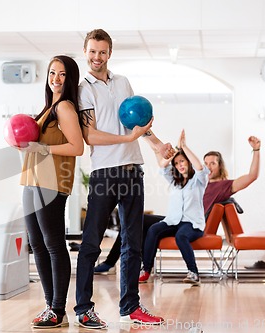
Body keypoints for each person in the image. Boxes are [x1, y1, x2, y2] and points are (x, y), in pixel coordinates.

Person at [74, 28, 174, 329]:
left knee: (133, 243)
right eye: (92, 51)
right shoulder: (84, 89)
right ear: (85, 52)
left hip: (133, 170)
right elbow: (89, 134)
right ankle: (83, 309)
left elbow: (135, 121)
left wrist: (157, 144)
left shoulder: (122, 82)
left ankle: (130, 307)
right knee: (92, 242)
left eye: (102, 52)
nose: (96, 57)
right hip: (105, 174)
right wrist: (126, 137)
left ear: (110, 53)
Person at [95, 136, 262, 280]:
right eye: (206, 163)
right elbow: (165, 166)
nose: (209, 166)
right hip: (176, 220)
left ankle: (147, 267)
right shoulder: (184, 181)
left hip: (192, 223)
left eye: (213, 163)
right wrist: (157, 146)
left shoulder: (221, 185)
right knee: (138, 221)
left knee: (153, 228)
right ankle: (118, 263)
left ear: (220, 166)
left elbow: (251, 177)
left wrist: (256, 150)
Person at [19, 55, 84, 328]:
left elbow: (77, 147)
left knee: (54, 246)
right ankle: (50, 306)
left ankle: (58, 308)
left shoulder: (65, 108)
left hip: (52, 182)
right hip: (32, 180)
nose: (55, 79)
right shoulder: (49, 107)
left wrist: (42, 149)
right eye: (52, 73)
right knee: (37, 245)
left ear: (70, 79)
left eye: (62, 74)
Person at [140, 130, 209, 286]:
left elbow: (199, 167)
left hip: (192, 224)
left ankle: (193, 273)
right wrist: (173, 151)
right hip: (173, 221)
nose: (180, 165)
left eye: (182, 162)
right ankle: (146, 270)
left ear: (188, 162)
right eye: (177, 164)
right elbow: (162, 166)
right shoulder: (174, 182)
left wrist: (184, 147)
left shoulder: (199, 181)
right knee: (153, 230)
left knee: (181, 236)